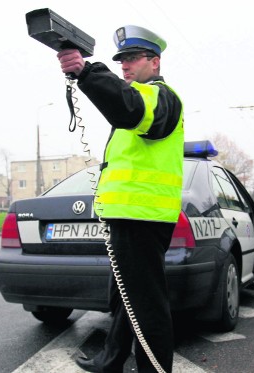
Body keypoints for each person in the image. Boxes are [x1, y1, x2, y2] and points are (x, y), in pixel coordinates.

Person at [58, 25, 183, 372]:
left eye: (132, 59)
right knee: (126, 297)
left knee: (147, 305)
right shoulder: (142, 95)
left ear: (154, 62)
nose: (125, 66)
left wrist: (88, 72)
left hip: (141, 216)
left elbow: (129, 109)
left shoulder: (160, 95)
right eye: (121, 60)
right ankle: (111, 360)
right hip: (128, 214)